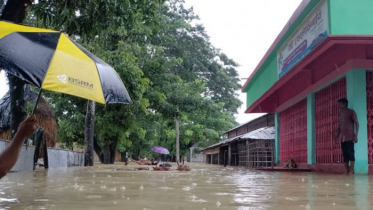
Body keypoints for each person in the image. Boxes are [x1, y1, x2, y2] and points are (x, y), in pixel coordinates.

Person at [335, 98, 359, 175]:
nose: (339, 105)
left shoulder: (351, 112)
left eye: (340, 104)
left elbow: (357, 124)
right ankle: (346, 170)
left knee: (351, 153)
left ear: (345, 104)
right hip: (343, 138)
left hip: (350, 136)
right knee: (345, 154)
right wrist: (337, 136)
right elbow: (339, 126)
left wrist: (355, 135)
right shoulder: (340, 114)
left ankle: (351, 170)